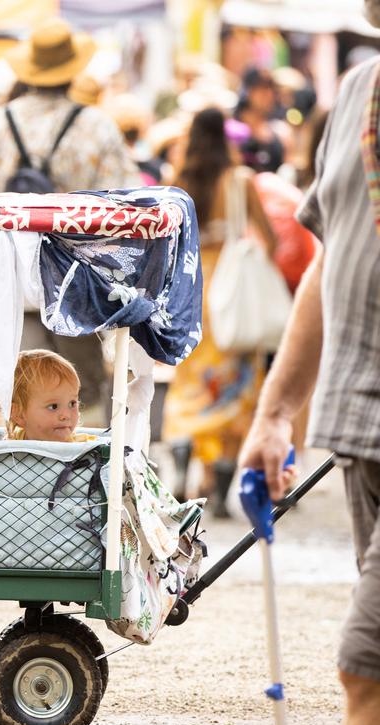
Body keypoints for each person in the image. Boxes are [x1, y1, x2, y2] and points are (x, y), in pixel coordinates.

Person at [238, 4, 380, 725]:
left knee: (367, 670)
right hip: (359, 428)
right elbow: (332, 261)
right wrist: (275, 411)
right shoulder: (359, 87)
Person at [0, 17, 139, 422]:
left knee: (18, 387)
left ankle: (19, 475)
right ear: (71, 72)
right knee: (81, 392)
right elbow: (127, 205)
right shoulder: (96, 127)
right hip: (78, 282)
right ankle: (83, 475)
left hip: (13, 279)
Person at [163, 107, 277, 517]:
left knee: (189, 385)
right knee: (233, 389)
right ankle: (221, 492)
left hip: (191, 295)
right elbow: (270, 238)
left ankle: (180, 468)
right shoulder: (240, 181)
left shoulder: (180, 182)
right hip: (232, 298)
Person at [7, 350, 95, 443]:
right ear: (19, 414)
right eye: (53, 406)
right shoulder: (9, 449)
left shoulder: (83, 447)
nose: (66, 415)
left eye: (72, 403)